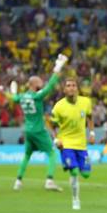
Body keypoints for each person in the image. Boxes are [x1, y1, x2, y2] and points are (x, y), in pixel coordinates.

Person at [11, 54, 67, 191]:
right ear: (33, 84)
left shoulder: (22, 97)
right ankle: (49, 180)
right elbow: (51, 86)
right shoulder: (37, 96)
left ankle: (18, 181)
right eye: (39, 83)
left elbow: (14, 98)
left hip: (28, 130)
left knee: (27, 155)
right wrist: (58, 66)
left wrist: (13, 90)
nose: (41, 84)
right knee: (52, 153)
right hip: (38, 130)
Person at [51, 78, 95, 210]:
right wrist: (56, 139)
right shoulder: (59, 106)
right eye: (68, 85)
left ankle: (73, 177)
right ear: (64, 90)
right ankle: (76, 199)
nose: (71, 88)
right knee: (75, 172)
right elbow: (52, 126)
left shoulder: (86, 102)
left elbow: (90, 117)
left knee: (86, 174)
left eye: (73, 85)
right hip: (66, 144)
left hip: (81, 145)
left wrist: (92, 134)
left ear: (77, 88)